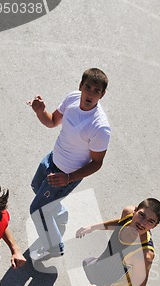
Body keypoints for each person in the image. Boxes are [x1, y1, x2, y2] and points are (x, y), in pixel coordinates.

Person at [27, 68, 110, 261]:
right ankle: (60, 213)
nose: (90, 92)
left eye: (96, 90)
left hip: (66, 175)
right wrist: (40, 112)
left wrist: (68, 178)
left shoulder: (100, 127)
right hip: (52, 159)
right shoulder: (73, 98)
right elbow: (52, 121)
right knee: (35, 186)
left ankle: (55, 246)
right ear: (80, 86)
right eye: (87, 86)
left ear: (102, 94)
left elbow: (97, 163)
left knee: (37, 210)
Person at [69, 198, 160, 286]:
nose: (142, 223)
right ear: (135, 210)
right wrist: (94, 227)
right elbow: (120, 222)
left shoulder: (144, 255)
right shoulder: (128, 213)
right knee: (87, 264)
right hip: (100, 267)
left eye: (150, 221)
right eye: (142, 215)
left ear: (155, 226)